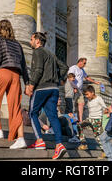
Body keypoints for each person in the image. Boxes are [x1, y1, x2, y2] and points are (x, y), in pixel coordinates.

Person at [0, 19, 29, 149]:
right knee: (15, 107)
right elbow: (24, 66)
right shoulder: (18, 44)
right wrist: (27, 83)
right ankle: (21, 139)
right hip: (16, 76)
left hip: (3, 72)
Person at [26, 31, 68, 160]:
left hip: (41, 87)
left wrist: (31, 85)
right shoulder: (51, 54)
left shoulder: (38, 52)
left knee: (32, 112)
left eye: (32, 39)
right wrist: (59, 79)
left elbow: (38, 70)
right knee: (53, 116)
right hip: (54, 88)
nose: (30, 41)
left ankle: (39, 141)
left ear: (37, 41)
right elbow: (65, 67)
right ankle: (59, 144)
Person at [68, 58, 101, 122]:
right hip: (73, 89)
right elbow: (70, 77)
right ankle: (72, 120)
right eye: (84, 63)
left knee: (81, 103)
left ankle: (80, 120)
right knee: (73, 105)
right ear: (80, 62)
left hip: (79, 90)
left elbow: (87, 77)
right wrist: (74, 87)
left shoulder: (82, 70)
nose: (85, 65)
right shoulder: (73, 68)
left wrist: (95, 82)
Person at [78, 85, 107, 151]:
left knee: (97, 136)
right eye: (85, 95)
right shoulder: (88, 101)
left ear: (92, 93)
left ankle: (104, 151)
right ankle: (83, 144)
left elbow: (104, 107)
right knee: (80, 126)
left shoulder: (99, 98)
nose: (86, 96)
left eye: (87, 94)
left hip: (97, 120)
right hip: (90, 119)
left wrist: (106, 111)